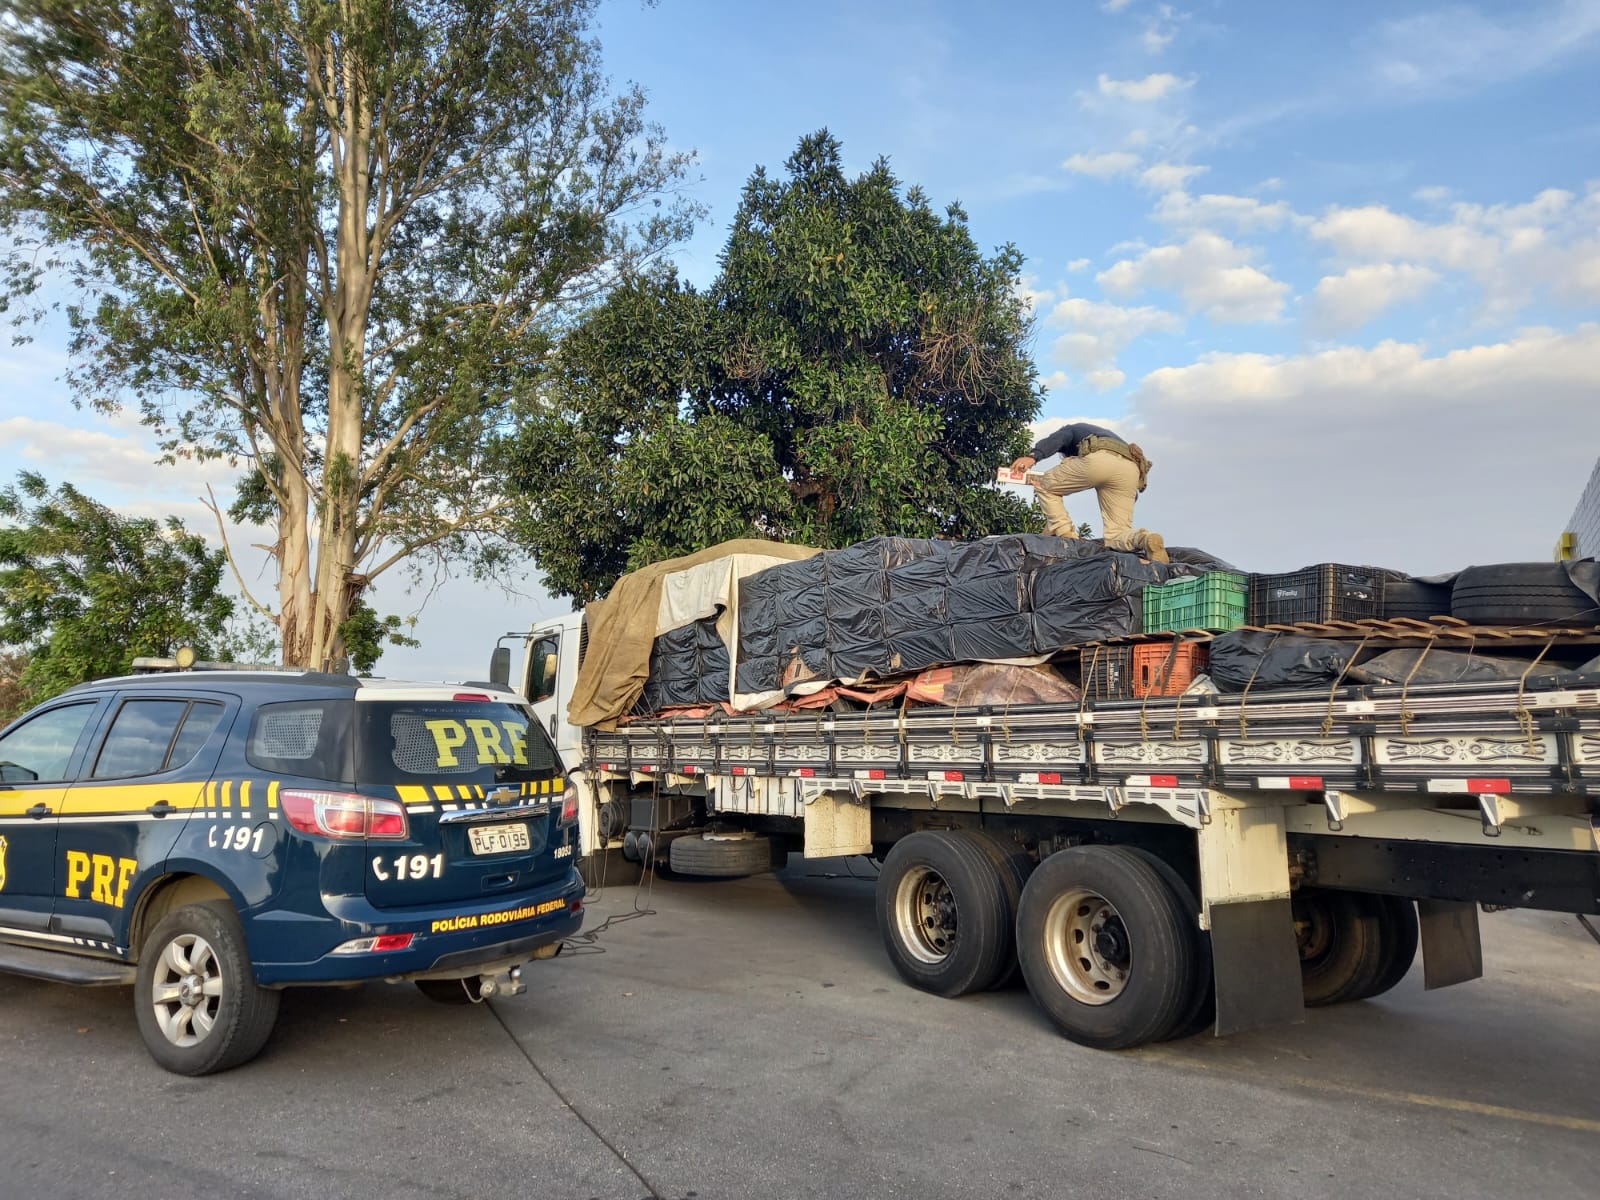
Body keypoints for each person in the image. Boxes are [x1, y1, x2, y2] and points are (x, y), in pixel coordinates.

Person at [1010, 422, 1169, 563]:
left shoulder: (1072, 429)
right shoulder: (1103, 434)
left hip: (1100, 459)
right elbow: (1129, 494)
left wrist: (1033, 456)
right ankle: (1144, 539)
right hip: (1131, 471)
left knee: (1044, 484)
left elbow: (1061, 437)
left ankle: (1065, 534)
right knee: (1117, 533)